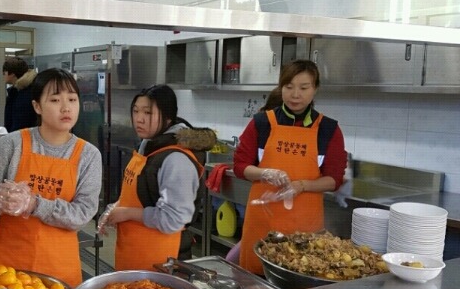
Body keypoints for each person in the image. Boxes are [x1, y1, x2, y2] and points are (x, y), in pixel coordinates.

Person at [0, 68, 102, 287]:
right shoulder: (12, 144)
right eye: (55, 100)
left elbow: (82, 214)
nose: (66, 107)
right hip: (6, 271)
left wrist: (33, 204)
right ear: (37, 106)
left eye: (72, 99)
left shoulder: (88, 155)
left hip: (58, 274)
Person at [233, 59, 347, 275]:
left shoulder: (328, 129)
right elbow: (240, 166)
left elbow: (334, 179)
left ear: (315, 89)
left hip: (305, 231)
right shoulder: (261, 123)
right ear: (281, 87)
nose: (295, 95)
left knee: (300, 282)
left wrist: (302, 186)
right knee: (256, 284)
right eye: (289, 87)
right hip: (262, 225)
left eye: (304, 88)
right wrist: (264, 173)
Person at [100, 85, 216, 271]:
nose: (139, 119)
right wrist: (115, 208)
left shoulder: (176, 159)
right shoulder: (149, 144)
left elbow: (173, 219)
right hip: (134, 252)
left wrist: (127, 213)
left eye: (148, 112)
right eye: (136, 111)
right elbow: (142, 192)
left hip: (163, 260)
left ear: (168, 117)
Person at [2, 57, 37, 132]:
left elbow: (20, 123)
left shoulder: (25, 93)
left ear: (12, 74)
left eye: (4, 73)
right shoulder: (17, 91)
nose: (3, 75)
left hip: (22, 137)